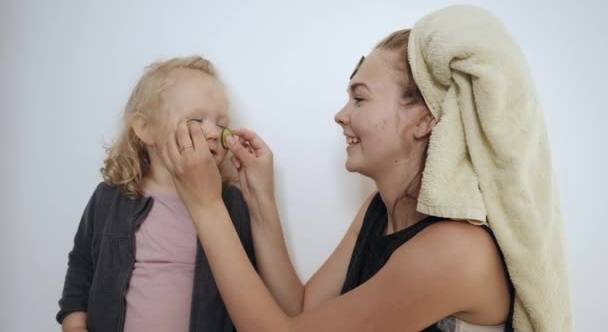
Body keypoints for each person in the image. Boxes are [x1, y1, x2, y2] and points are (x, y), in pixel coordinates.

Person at [158, 26, 517, 331]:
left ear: (423, 119)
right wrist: (261, 201)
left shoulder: (456, 251)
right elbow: (301, 310)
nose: (340, 116)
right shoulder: (378, 211)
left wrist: (206, 206)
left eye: (360, 99)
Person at [57, 55, 255, 332]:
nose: (214, 132)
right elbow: (81, 265)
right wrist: (74, 324)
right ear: (146, 129)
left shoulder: (232, 204)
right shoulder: (109, 198)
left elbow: (253, 291)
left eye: (222, 123)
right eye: (197, 119)